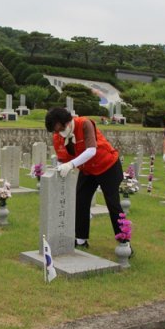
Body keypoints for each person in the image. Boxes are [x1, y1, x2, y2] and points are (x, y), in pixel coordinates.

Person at [45, 107, 129, 252]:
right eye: (56, 130)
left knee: (112, 202)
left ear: (67, 121)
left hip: (107, 165)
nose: (59, 132)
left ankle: (124, 241)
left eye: (60, 127)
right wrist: (58, 173)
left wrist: (71, 164)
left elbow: (91, 150)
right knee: (80, 200)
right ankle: (81, 239)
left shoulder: (84, 124)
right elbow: (61, 159)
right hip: (87, 170)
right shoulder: (58, 137)